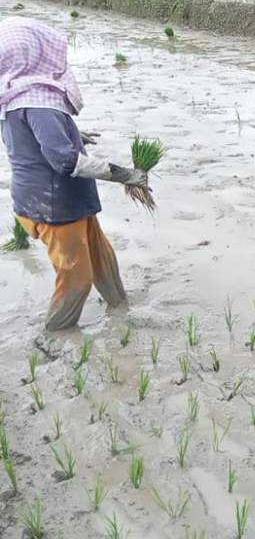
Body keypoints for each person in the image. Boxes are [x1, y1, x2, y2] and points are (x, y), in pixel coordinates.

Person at [0, 17, 147, 331]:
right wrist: (124, 174)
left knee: (101, 257)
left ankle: (120, 309)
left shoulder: (16, 95)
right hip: (55, 206)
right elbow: (63, 160)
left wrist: (73, 134)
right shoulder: (36, 100)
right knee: (76, 277)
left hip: (61, 201)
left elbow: (30, 141)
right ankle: (56, 335)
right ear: (33, 52)